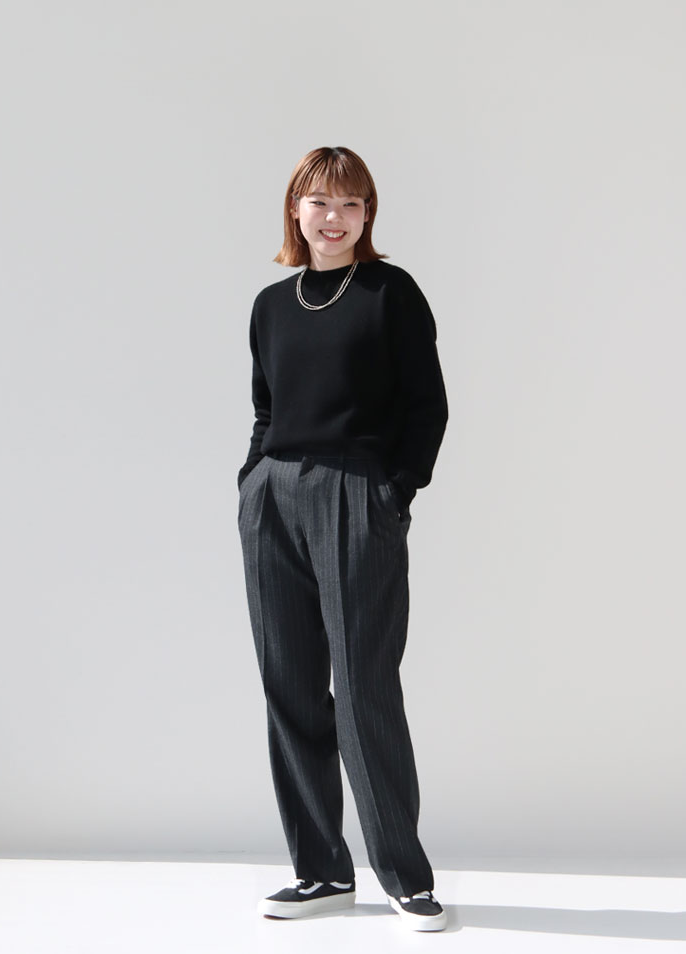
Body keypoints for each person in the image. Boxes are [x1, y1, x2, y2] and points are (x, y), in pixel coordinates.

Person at [236, 146, 449, 932]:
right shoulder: (271, 304)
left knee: (364, 688)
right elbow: (265, 407)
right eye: (320, 202)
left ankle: (403, 875)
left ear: (368, 215)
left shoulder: (391, 293)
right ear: (295, 210)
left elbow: (426, 406)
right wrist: (252, 480)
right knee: (289, 686)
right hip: (274, 498)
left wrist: (393, 492)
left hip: (356, 496)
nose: (334, 217)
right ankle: (321, 870)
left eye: (351, 204)